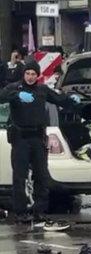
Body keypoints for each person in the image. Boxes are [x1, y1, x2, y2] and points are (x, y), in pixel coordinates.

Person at [0, 59, 80, 223]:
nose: (30, 77)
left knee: (41, 175)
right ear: (24, 74)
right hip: (20, 138)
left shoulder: (42, 90)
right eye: (27, 73)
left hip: (38, 138)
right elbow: (1, 97)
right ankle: (21, 212)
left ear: (38, 75)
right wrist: (16, 96)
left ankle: (39, 210)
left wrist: (72, 99)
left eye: (33, 74)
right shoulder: (15, 88)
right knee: (19, 177)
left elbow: (59, 100)